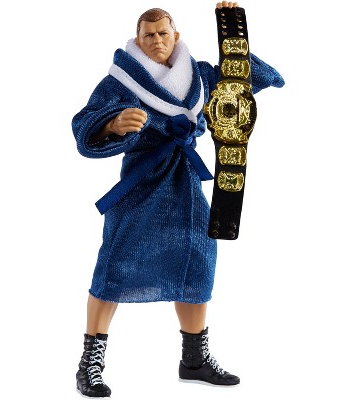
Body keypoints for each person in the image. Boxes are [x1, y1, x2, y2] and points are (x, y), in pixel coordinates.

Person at [72, 1, 284, 397]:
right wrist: (113, 124)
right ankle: (90, 361)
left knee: (197, 264)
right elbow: (84, 125)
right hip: (142, 182)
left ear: (176, 35)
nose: (157, 40)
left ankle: (194, 358)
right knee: (115, 265)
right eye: (149, 35)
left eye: (163, 33)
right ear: (138, 39)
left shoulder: (199, 75)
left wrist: (232, 31)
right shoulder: (120, 82)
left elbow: (248, 79)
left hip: (186, 184)